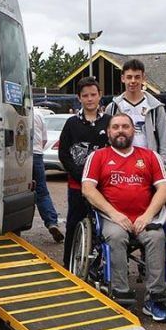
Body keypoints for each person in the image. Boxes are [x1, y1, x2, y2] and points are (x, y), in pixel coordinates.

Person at [81, 113, 166, 322]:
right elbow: (88, 189)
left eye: (125, 126)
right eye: (115, 127)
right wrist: (114, 214)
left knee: (157, 238)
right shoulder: (98, 157)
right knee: (116, 237)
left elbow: (163, 189)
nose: (120, 130)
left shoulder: (150, 156)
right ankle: (120, 293)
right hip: (113, 219)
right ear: (109, 132)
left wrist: (148, 215)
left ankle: (154, 298)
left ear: (133, 131)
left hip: (145, 218)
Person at [59, 76, 110, 267]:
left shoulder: (109, 122)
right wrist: (78, 174)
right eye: (85, 95)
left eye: (93, 95)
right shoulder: (72, 123)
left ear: (100, 96)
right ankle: (68, 262)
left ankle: (98, 264)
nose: (90, 99)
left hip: (102, 185)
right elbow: (63, 153)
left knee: (101, 224)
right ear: (79, 98)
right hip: (77, 183)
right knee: (73, 221)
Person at [105, 59, 166, 167]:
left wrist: (162, 164)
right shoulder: (112, 108)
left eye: (137, 77)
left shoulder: (155, 107)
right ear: (123, 78)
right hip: (120, 165)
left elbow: (164, 138)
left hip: (148, 164)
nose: (133, 81)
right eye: (129, 77)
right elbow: (108, 139)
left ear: (143, 78)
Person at [32, 109, 64, 243]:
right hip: (36, 155)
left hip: (14, 154)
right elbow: (44, 140)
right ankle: (51, 223)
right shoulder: (38, 114)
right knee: (42, 192)